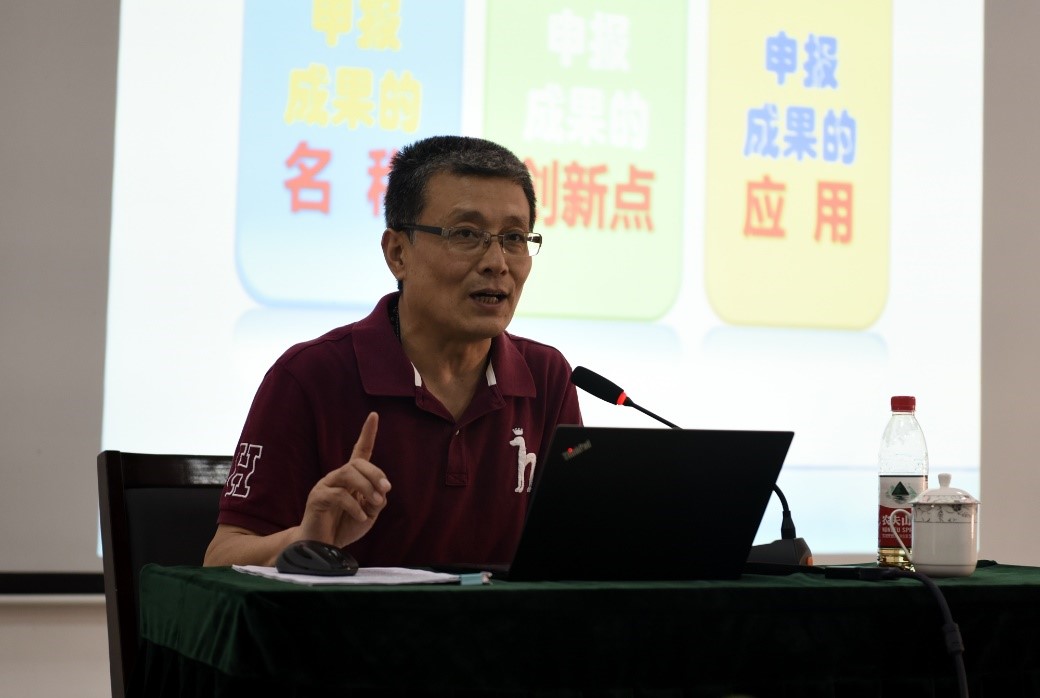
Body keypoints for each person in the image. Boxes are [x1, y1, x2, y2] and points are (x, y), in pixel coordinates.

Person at [204, 135, 583, 568]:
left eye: (514, 237)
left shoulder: (547, 377)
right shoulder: (310, 376)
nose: (497, 262)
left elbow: (572, 549)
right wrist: (306, 539)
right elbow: (221, 558)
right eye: (466, 234)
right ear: (398, 253)